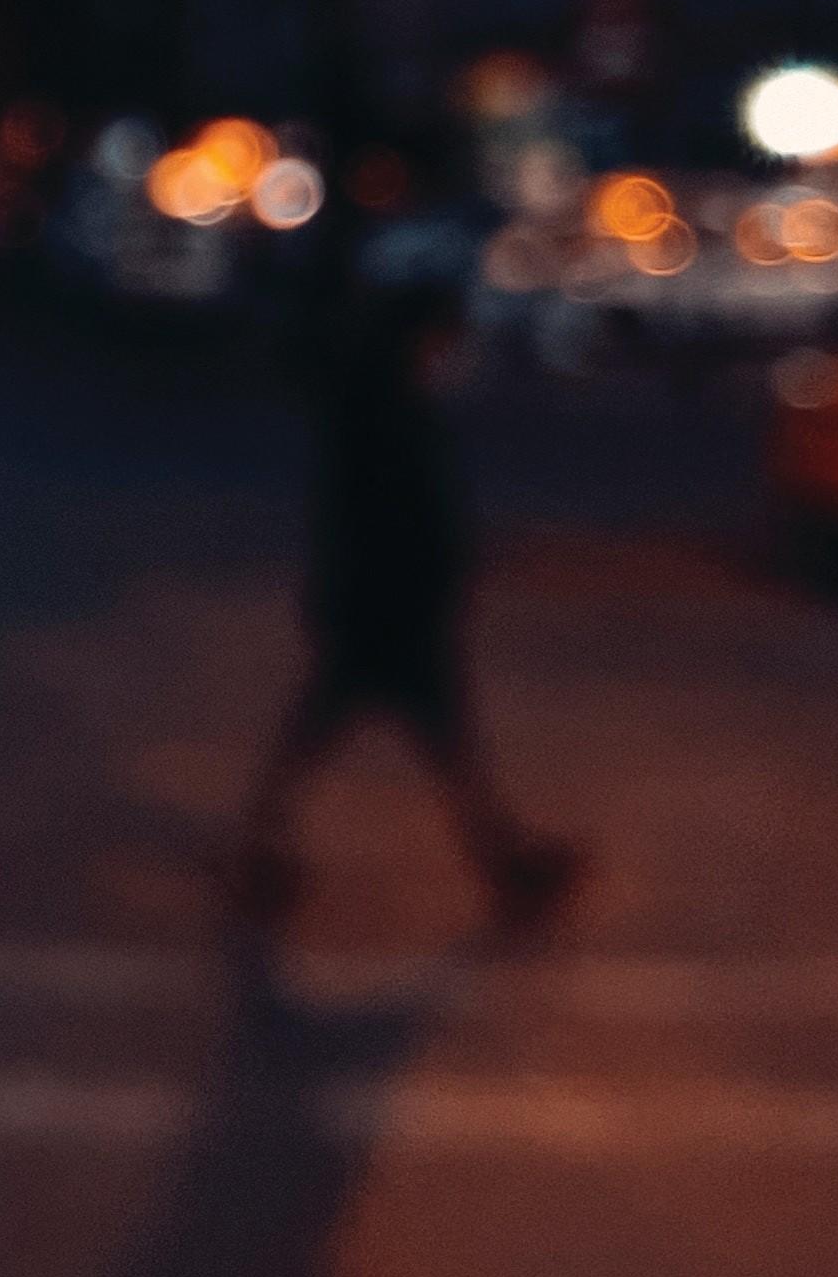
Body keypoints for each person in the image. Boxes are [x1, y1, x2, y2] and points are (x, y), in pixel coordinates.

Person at [235, 282, 581, 936]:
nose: (450, 354)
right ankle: (506, 865)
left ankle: (261, 850)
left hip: (385, 609)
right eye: (442, 339)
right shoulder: (384, 415)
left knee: (338, 732)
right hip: (390, 612)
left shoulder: (389, 408)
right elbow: (382, 519)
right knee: (434, 742)